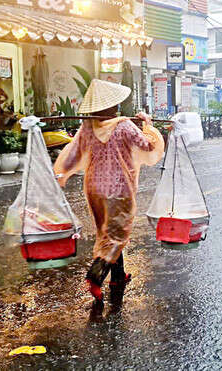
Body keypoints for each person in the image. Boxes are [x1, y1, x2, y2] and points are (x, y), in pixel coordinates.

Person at [53, 79, 164, 307]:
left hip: (94, 189)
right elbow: (149, 146)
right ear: (112, 106)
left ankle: (118, 277)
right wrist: (148, 125)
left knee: (109, 234)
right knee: (115, 235)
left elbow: (72, 155)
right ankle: (95, 276)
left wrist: (61, 173)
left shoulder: (87, 127)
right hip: (118, 190)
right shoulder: (124, 125)